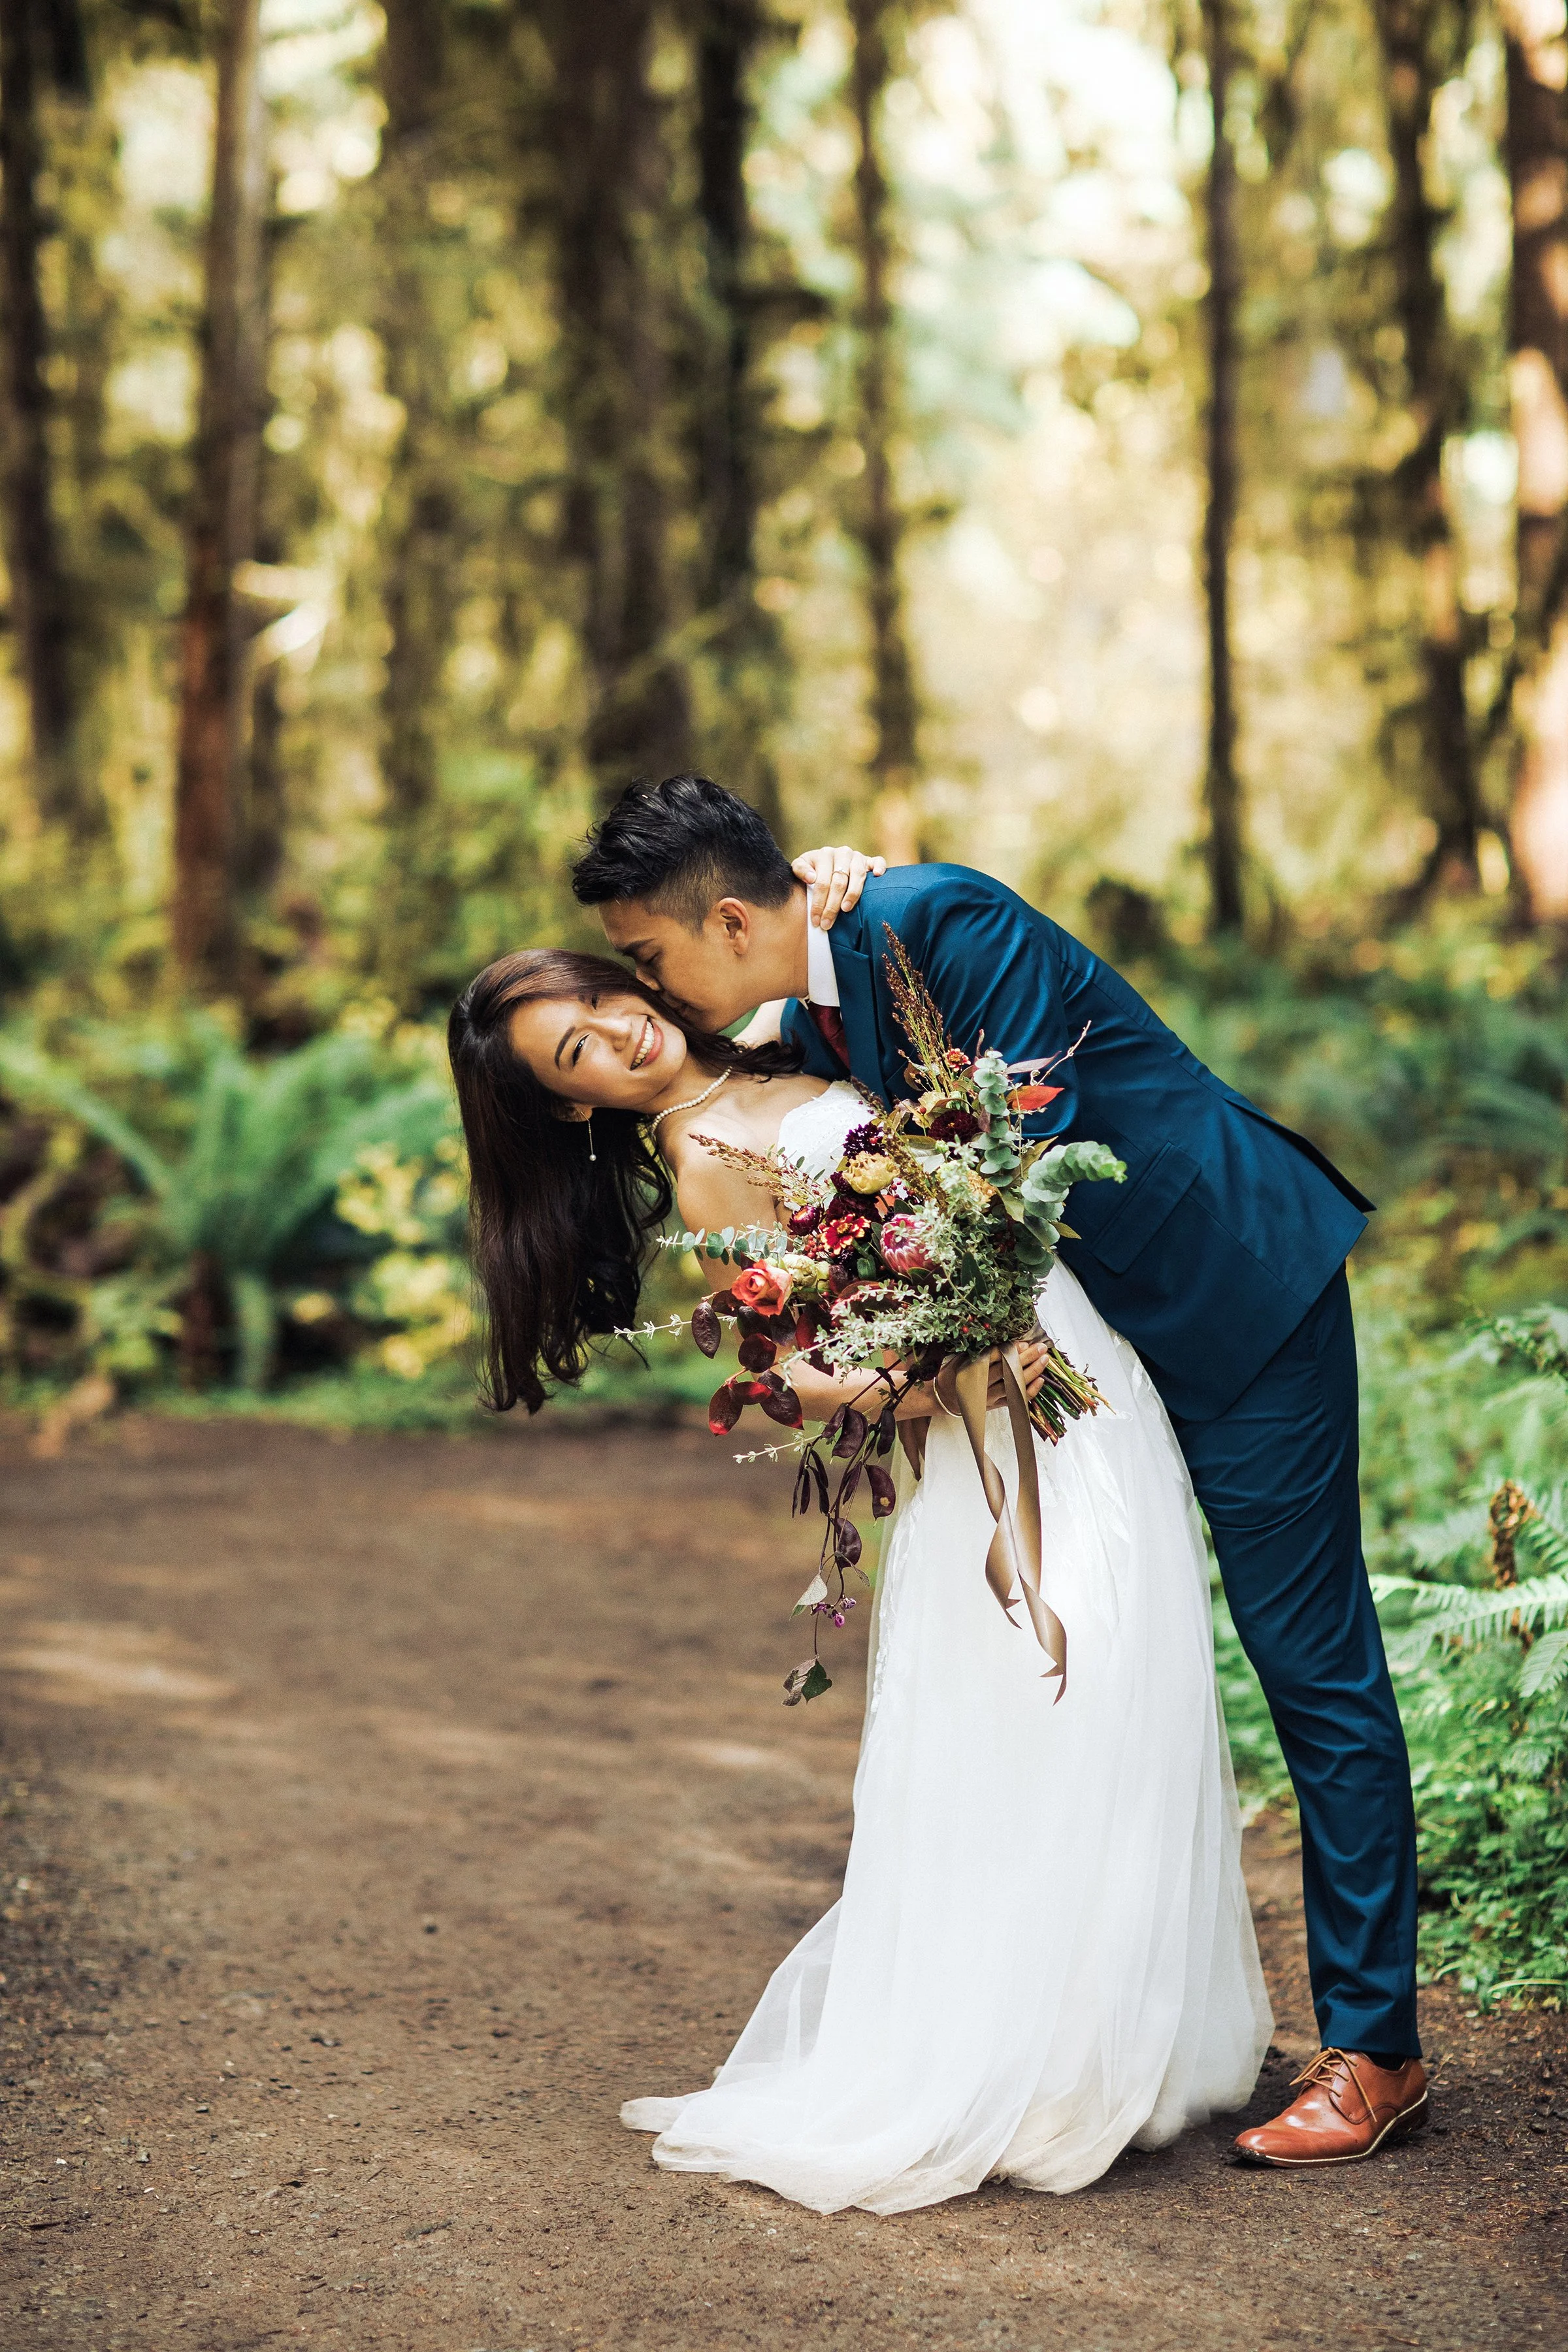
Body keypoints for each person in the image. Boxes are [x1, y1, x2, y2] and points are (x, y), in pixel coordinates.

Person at [563, 773, 1429, 2174]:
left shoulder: (940, 921)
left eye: (651, 960)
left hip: (1233, 1301)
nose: (648, 992)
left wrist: (894, 1372)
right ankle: (1114, 2016)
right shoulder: (807, 1000)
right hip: (1091, 1376)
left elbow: (1015, 1166)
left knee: (1307, 1659)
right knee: (1096, 1680)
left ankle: (1379, 2050)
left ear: (728, 919)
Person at [447, 955, 1271, 2215]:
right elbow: (802, 1372)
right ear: (571, 1109)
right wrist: (957, 1373)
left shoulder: (766, 1040)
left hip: (1078, 1372)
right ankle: (1033, 2060)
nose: (620, 1035)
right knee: (1050, 1714)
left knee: (1130, 1693)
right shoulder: (712, 1150)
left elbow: (840, 962)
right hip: (992, 1418)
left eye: (605, 1003)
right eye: (577, 1057)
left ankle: (1125, 2035)